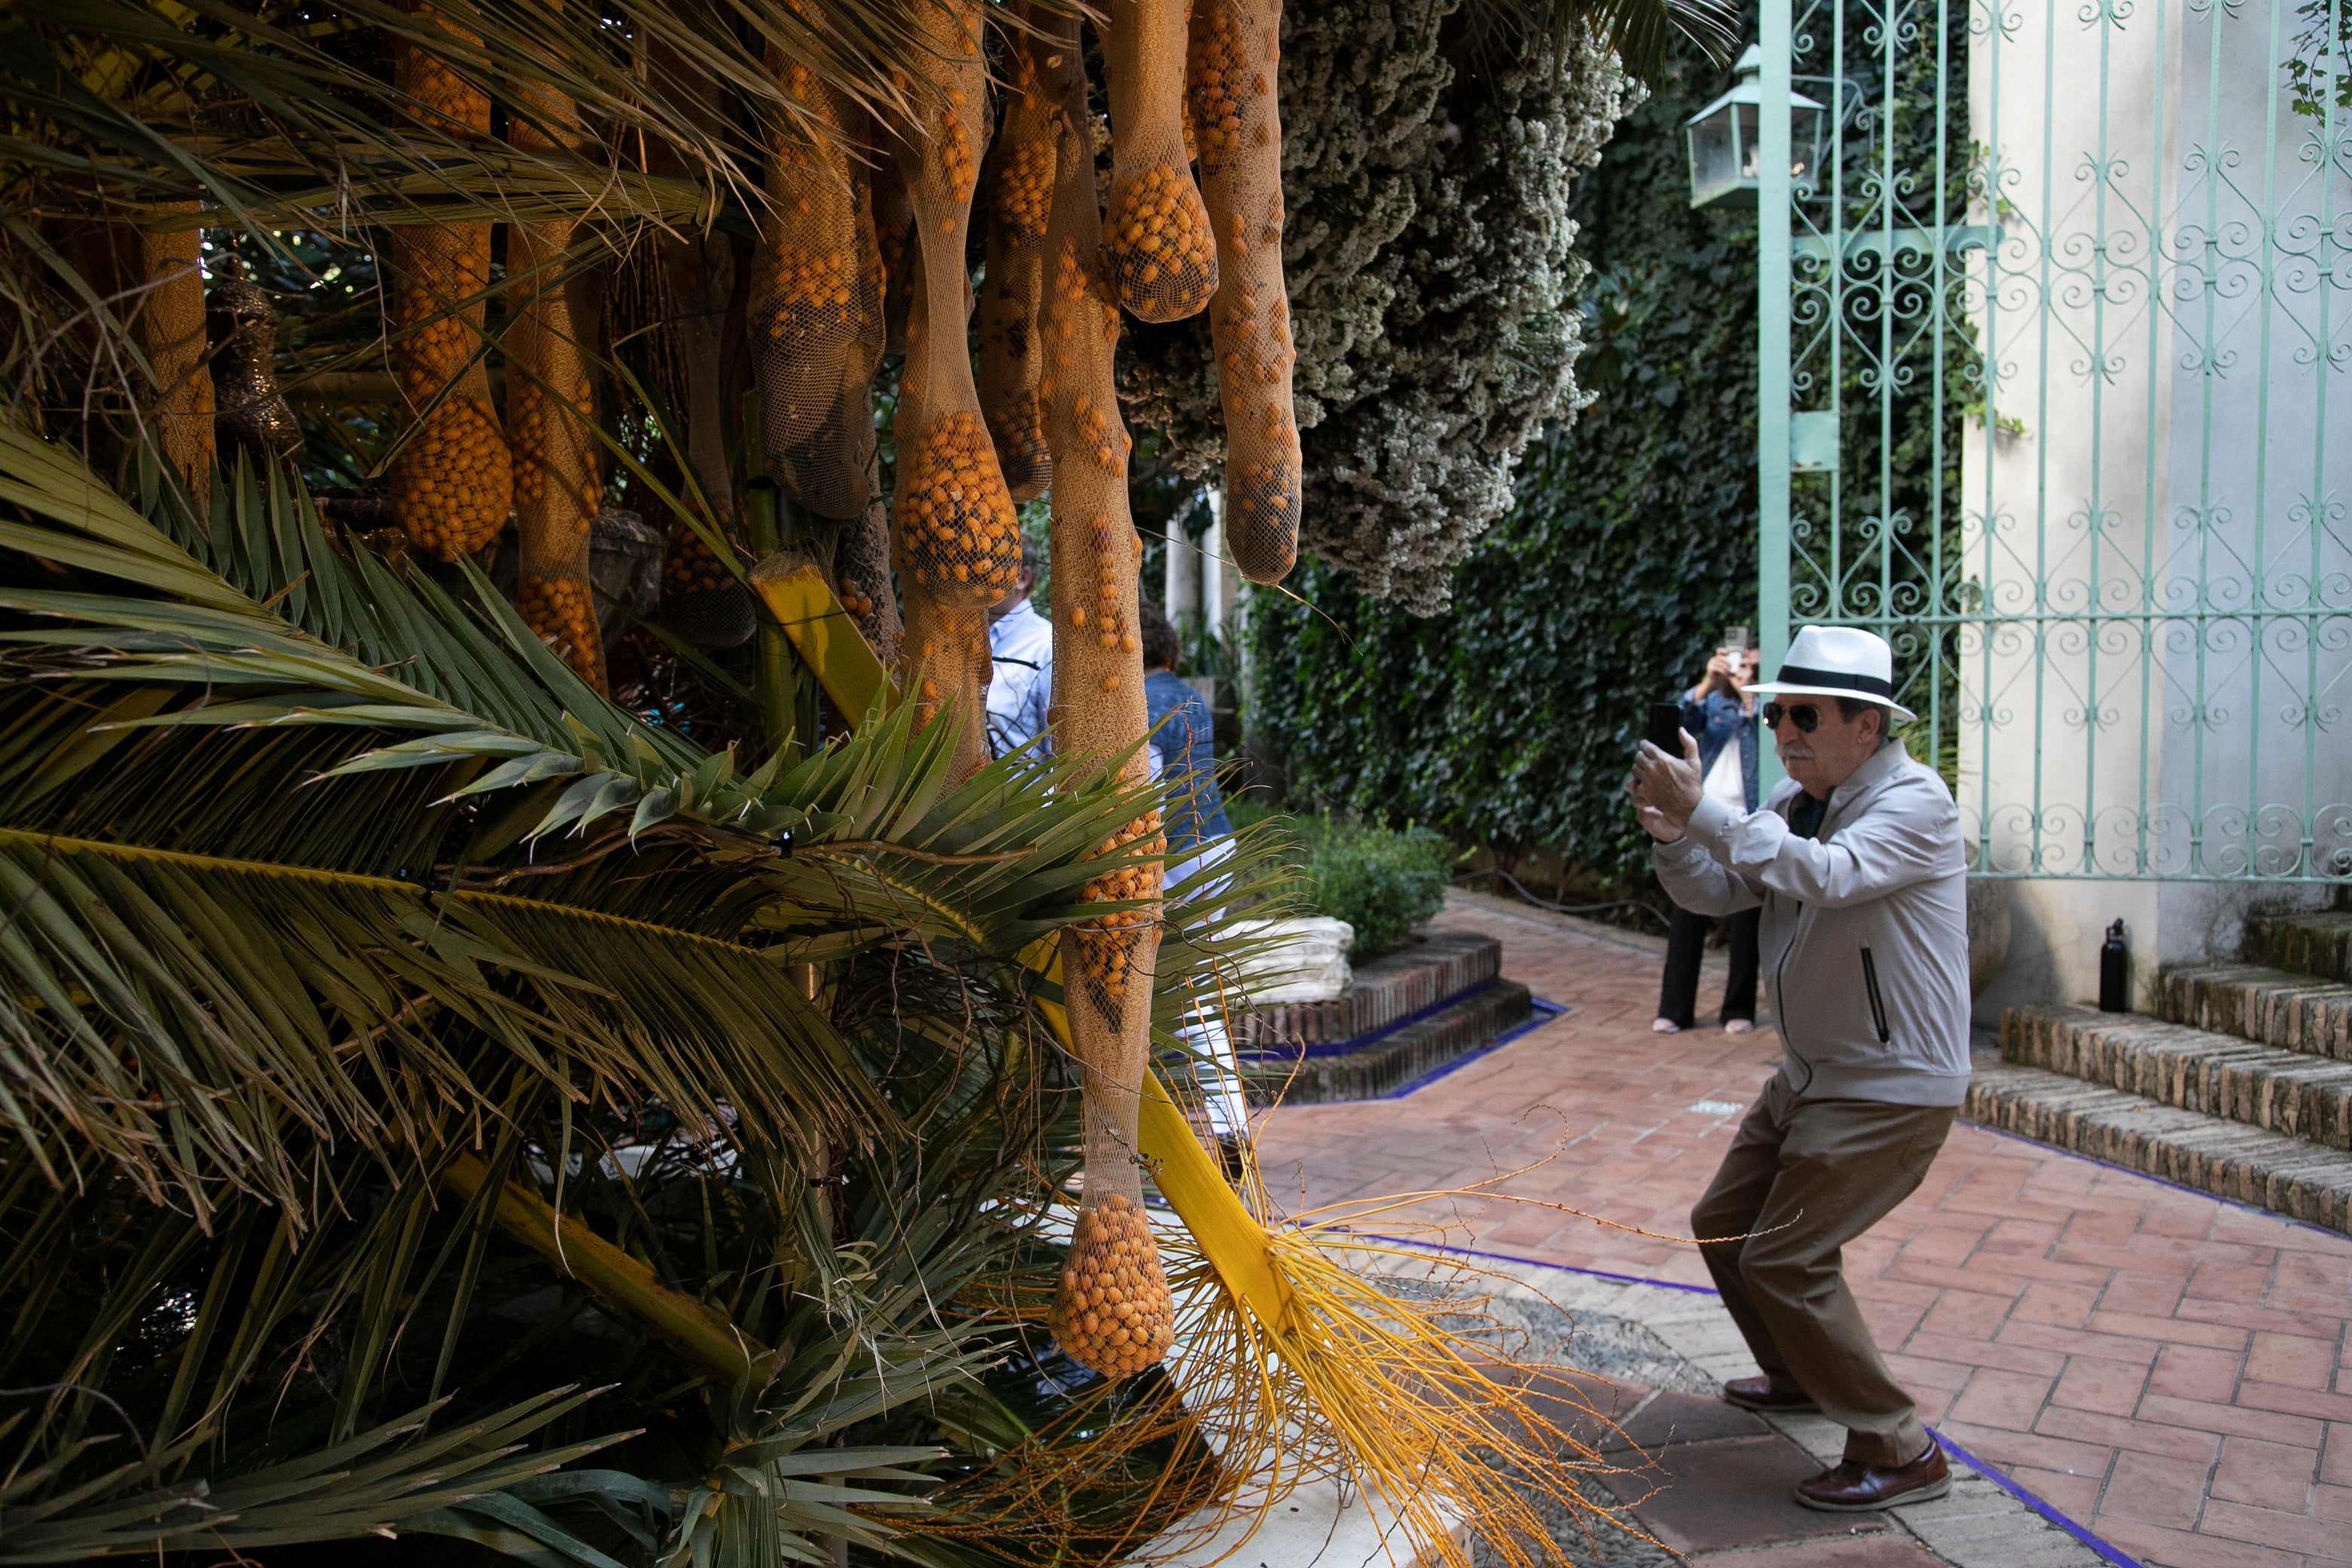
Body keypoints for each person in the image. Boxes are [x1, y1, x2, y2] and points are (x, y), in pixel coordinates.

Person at [1626, 624, 1970, 1514]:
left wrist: (1707, 812)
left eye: (1805, 716)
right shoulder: (1793, 799)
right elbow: (1721, 891)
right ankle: (1801, 1373)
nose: (1784, 731)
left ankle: (1898, 1445)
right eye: (1779, 713)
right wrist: (1675, 836)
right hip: (1816, 1074)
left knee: (1784, 1256)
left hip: (1890, 1085)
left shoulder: (1916, 802)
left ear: (1867, 726)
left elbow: (1829, 876)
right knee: (1724, 1224)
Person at [1138, 602, 1247, 1162]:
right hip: (1216, 847)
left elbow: (1147, 797)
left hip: (1177, 859)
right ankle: (1229, 1128)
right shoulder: (1190, 696)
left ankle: (1209, 1131)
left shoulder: (1138, 704)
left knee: (1172, 994)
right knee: (1195, 992)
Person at [1655, 638, 1763, 1036]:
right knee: (1688, 911)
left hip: (1749, 820)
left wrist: (1752, 702)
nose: (1745, 672)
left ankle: (1738, 1009)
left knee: (1747, 917)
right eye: (1741, 664)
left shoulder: (1771, 710)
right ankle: (1674, 1010)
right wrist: (1706, 683)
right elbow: (1678, 727)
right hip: (1703, 817)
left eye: (1754, 668)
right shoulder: (1715, 703)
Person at [986, 534, 1052, 758]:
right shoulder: (958, 639)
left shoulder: (1046, 646)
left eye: (986, 565)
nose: (972, 576)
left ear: (1022, 578)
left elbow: (1061, 752)